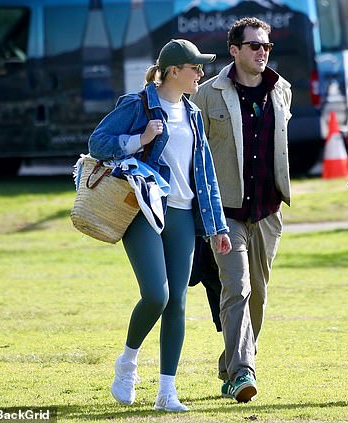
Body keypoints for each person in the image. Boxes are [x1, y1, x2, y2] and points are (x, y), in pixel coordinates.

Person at [88, 39, 232, 412]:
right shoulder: (137, 104)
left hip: (183, 214)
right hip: (143, 208)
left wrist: (218, 228)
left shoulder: (193, 114)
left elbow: (206, 175)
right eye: (195, 68)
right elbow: (98, 143)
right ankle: (128, 363)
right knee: (158, 294)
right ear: (174, 71)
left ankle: (167, 392)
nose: (200, 74)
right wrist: (141, 138)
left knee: (178, 303)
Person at [191, 17, 291, 403]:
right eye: (254, 46)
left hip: (267, 212)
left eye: (266, 46)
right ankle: (242, 373)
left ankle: (231, 361)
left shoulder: (282, 91)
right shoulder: (207, 94)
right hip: (225, 214)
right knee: (238, 289)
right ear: (234, 50)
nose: (262, 52)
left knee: (260, 297)